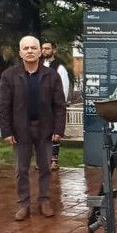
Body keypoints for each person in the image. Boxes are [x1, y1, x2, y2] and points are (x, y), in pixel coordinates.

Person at [0, 36, 67, 221]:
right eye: (26, 48)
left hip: (45, 130)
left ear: (40, 52)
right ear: (20, 52)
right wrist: (6, 131)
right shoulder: (9, 75)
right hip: (20, 131)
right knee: (21, 169)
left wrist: (59, 129)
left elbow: (59, 105)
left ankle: (44, 201)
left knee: (45, 168)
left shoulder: (51, 76)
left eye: (33, 47)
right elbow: (4, 106)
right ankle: (23, 204)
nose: (30, 51)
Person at [41, 40, 70, 171]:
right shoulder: (38, 65)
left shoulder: (60, 68)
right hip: (39, 105)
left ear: (54, 50)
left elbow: (64, 87)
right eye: (43, 48)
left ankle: (53, 160)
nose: (44, 51)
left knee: (54, 133)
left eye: (47, 48)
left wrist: (59, 103)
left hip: (53, 105)